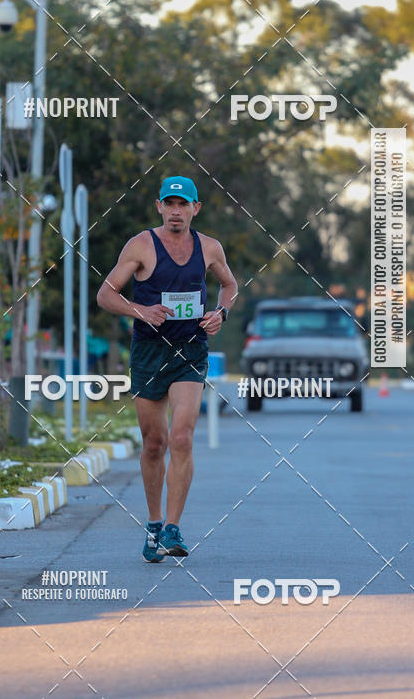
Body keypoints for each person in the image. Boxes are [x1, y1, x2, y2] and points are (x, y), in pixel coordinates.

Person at [97, 176, 238, 561]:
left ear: (196, 208)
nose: (177, 211)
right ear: (159, 206)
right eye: (170, 203)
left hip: (190, 350)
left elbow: (230, 285)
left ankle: (174, 528)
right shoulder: (141, 245)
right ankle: (155, 524)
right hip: (148, 352)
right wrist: (140, 310)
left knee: (182, 438)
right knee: (154, 443)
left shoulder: (209, 248)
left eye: (184, 204)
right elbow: (106, 294)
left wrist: (220, 313)